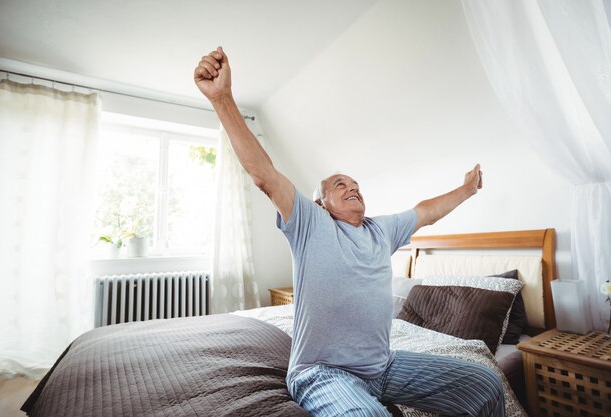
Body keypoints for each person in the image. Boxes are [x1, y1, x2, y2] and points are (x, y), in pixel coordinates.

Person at [194, 46, 505, 417]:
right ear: (322, 201)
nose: (352, 186)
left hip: (383, 367)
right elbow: (264, 175)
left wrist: (467, 189)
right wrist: (223, 99)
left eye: (355, 183)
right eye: (340, 184)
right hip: (321, 372)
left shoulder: (382, 230)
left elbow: (425, 212)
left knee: (485, 384)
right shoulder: (311, 223)